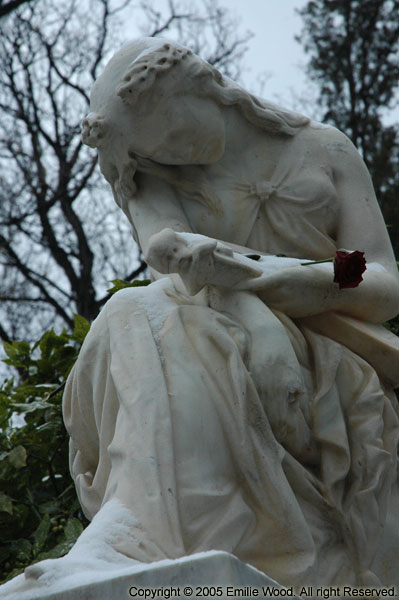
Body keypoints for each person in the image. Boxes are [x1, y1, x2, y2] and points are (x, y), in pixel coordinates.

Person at [28, 38, 399, 588]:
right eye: (162, 152)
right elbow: (178, 281)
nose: (180, 156)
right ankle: (134, 525)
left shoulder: (323, 150)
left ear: (208, 88)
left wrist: (284, 278)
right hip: (222, 326)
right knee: (138, 311)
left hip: (331, 342)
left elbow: (381, 278)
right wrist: (257, 320)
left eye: (178, 134)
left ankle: (148, 529)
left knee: (156, 318)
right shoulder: (153, 177)